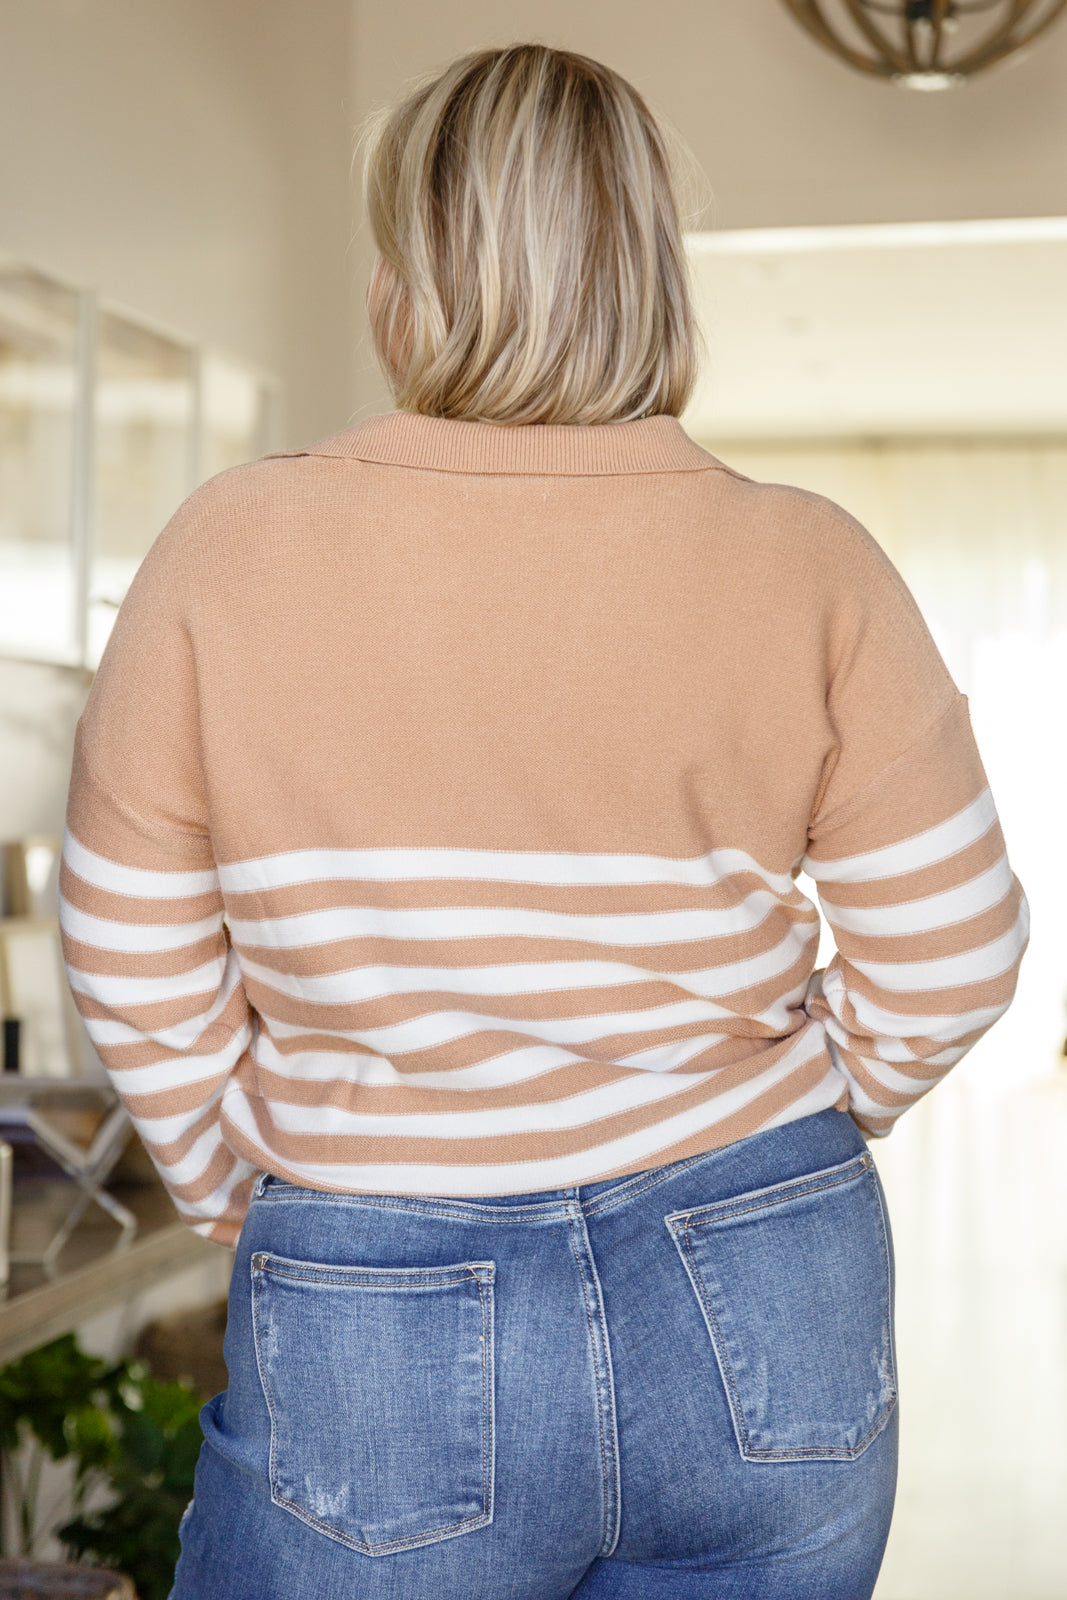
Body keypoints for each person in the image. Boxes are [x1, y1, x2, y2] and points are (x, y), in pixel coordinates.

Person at [58, 43, 1028, 1600]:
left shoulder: (230, 548)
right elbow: (959, 947)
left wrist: (235, 1174)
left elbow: (126, 940)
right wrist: (789, 1115)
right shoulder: (810, 560)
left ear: (407, 276)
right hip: (766, 1266)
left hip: (379, 1271)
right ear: (654, 271)